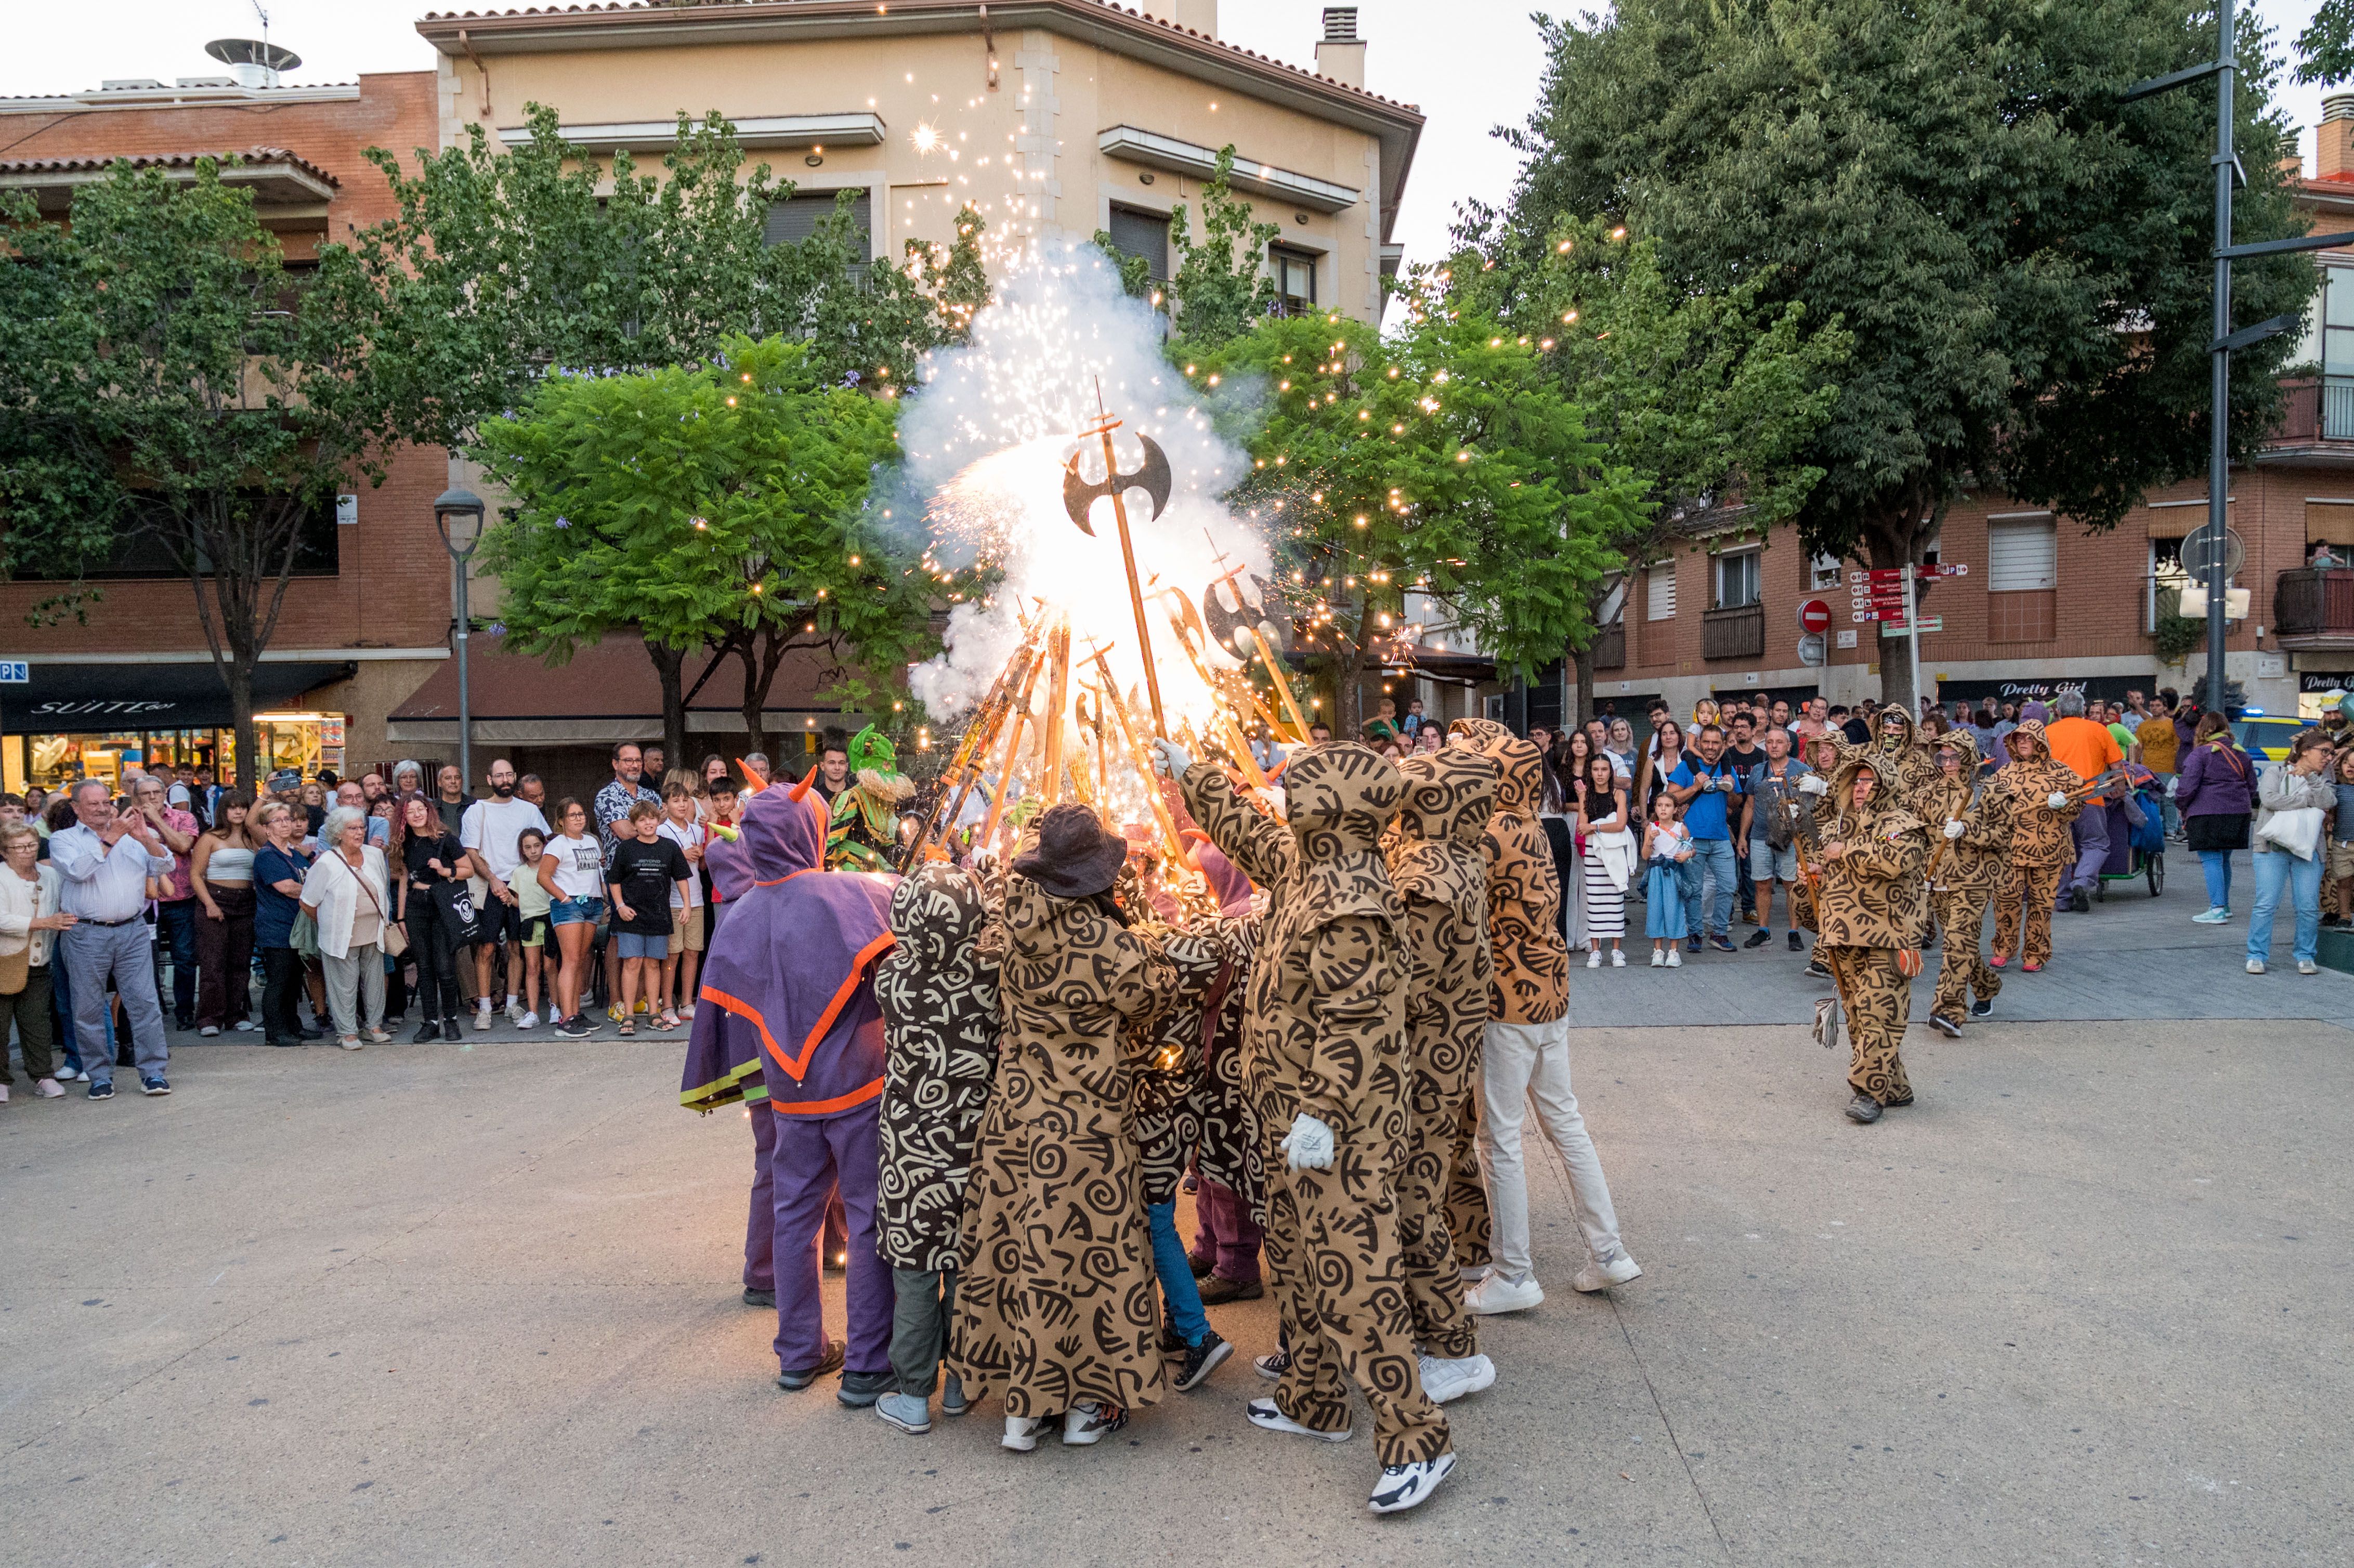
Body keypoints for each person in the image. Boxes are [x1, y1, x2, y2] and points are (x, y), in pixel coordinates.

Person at [1162, 737, 1457, 1514]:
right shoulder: (1310, 864)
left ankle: (1418, 1439)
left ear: (1332, 810)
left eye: (1300, 790)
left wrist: (1322, 1116)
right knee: (1295, 1261)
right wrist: (1195, 776)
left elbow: (1356, 1024)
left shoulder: (1353, 901)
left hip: (1340, 1132)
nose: (1285, 799)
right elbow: (1250, 833)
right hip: (1290, 1120)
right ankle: (1314, 1398)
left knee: (1357, 1276)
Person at [951, 803, 1175, 1452]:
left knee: (1025, 1250)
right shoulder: (1109, 946)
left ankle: (1022, 1411)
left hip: (1018, 1117)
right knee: (1088, 1256)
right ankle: (1084, 1405)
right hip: (1089, 1124)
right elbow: (1155, 992)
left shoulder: (1010, 924)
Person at [687, 764, 897, 1410]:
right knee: (866, 1220)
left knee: (794, 1217)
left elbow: (723, 1010)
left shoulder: (742, 917)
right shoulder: (855, 892)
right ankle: (866, 1364)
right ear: (811, 828)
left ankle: (799, 1353)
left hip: (788, 1095)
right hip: (858, 1087)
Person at [1449, 718, 1643, 1318]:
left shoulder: (1485, 834)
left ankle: (1512, 1272)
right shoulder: (1533, 824)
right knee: (1566, 1125)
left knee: (1499, 1137)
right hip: (1550, 994)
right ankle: (1608, 1252)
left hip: (1505, 1002)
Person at [1384, 747, 1500, 1407]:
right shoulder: (1454, 855)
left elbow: (1404, 983)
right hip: (1438, 1061)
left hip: (1424, 1069)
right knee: (1416, 1198)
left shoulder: (1430, 877)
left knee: (1412, 1204)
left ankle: (1451, 1349)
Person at [870, 864, 1003, 1436]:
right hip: (971, 1142)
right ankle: (959, 1386)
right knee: (966, 1266)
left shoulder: (890, 977)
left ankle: (912, 1395)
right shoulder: (988, 976)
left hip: (909, 1146)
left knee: (917, 1272)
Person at [1812, 752, 1931, 1123]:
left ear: (1886, 784)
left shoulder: (1903, 823)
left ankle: (1868, 1092)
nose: (1861, 788)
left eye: (1868, 781)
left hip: (1889, 936)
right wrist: (1815, 874)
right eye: (1857, 781)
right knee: (1860, 1017)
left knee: (1880, 1014)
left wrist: (1843, 852)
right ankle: (1894, 1087)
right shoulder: (1837, 825)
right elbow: (1829, 869)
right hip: (1842, 935)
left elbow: (1893, 860)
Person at [49, 778, 177, 1099]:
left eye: (106, 802)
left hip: (133, 929)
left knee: (145, 1003)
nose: (102, 809)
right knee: (88, 1008)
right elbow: (78, 872)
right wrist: (111, 838)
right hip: (85, 932)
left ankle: (153, 1073)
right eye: (93, 804)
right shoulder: (63, 840)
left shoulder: (133, 835)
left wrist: (145, 838)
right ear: (76, 808)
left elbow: (166, 864)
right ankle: (99, 1076)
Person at [1918, 732, 2013, 1036]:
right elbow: (1916, 836)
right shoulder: (1927, 793)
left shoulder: (1989, 791)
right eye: (1942, 757)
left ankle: (1948, 1011)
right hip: (1937, 880)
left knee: (1957, 944)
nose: (1948, 764)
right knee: (1963, 948)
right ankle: (1987, 986)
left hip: (1975, 880)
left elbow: (2004, 835)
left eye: (1955, 757)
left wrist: (1967, 830)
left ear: (1969, 757)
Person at [461, 759, 550, 1030]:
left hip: (524, 887)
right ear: (489, 780)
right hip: (490, 886)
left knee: (516, 947)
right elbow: (471, 851)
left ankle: (512, 1003)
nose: (505, 779)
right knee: (486, 948)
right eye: (499, 776)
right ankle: (485, 1008)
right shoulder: (477, 811)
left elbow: (546, 842)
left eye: (509, 774)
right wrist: (494, 880)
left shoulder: (529, 810)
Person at [1989, 721, 2084, 971]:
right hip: (2010, 850)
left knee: (2041, 904)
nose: (2023, 743)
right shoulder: (2004, 773)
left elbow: (2078, 805)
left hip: (2049, 851)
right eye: (2019, 739)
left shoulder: (2060, 771)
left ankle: (2035, 953)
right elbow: (1989, 809)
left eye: (2029, 739)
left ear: (2040, 742)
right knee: (2006, 900)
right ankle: (2003, 947)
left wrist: (2064, 804)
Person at [299, 807, 393, 1050]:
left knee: (374, 981)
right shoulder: (327, 863)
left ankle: (374, 1026)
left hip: (373, 931)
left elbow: (382, 890)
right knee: (344, 985)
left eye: (361, 827)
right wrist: (331, 923)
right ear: (338, 833)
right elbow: (308, 903)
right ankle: (347, 1032)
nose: (360, 832)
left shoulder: (373, 855)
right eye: (353, 828)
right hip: (340, 936)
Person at [2245, 730, 2336, 976]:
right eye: (2324, 751)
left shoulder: (2324, 779)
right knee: (2266, 904)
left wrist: (2312, 780)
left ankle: (2306, 956)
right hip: (2272, 848)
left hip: (2308, 850)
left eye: (2332, 753)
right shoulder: (2276, 772)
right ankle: (2256, 955)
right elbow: (2270, 800)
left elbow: (2328, 802)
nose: (2329, 757)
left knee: (2307, 907)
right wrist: (2307, 802)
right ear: (2305, 750)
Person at [393, 793, 477, 1044]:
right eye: (411, 811)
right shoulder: (404, 843)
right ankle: (430, 1022)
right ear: (404, 817)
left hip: (441, 905)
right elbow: (403, 881)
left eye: (421, 809)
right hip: (416, 907)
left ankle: (450, 1020)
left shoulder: (446, 839)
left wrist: (445, 870)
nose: (417, 814)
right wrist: (401, 918)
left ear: (430, 811)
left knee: (444, 966)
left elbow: (468, 870)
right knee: (424, 968)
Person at [605, 800, 691, 1037]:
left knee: (654, 964)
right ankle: (629, 1015)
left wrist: (686, 905)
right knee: (632, 963)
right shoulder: (626, 849)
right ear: (634, 824)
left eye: (652, 818)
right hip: (631, 915)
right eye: (642, 820)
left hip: (659, 914)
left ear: (658, 820)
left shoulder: (670, 847)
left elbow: (682, 878)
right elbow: (614, 881)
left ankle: (654, 1013)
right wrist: (620, 906)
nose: (648, 823)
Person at [0, 821, 72, 1102]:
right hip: (5, 961)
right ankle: (1, 1080)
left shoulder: (51, 875)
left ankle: (43, 1076)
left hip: (39, 962)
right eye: (18, 848)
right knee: (1, 1025)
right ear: (5, 852)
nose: (27, 853)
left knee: (37, 1024)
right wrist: (44, 922)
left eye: (31, 846)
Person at [128, 772, 201, 1031]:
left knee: (184, 958)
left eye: (156, 793)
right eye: (145, 794)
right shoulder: (127, 822)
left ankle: (184, 1011)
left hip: (180, 898)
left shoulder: (184, 818)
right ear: (136, 797)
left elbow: (183, 846)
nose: (151, 798)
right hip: (143, 902)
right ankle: (153, 1011)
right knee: (144, 961)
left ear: (165, 794)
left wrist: (157, 819)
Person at [2041, 691, 2124, 914]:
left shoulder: (2047, 733)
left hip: (2056, 800)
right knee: (2096, 843)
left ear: (2057, 710)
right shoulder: (2098, 730)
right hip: (2090, 796)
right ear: (2084, 709)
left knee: (2060, 848)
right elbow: (2117, 768)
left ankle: (2062, 898)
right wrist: (2120, 791)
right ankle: (2083, 881)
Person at [594, 743, 660, 1020]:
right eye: (627, 761)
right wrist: (653, 824)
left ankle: (639, 999)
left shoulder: (649, 794)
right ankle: (617, 1001)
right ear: (615, 764)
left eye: (637, 761)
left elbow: (660, 829)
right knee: (619, 938)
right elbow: (624, 832)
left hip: (655, 874)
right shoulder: (607, 796)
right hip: (623, 877)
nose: (633, 765)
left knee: (647, 935)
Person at [2175, 712, 2255, 924]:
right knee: (2225, 859)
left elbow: (2187, 787)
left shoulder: (2201, 754)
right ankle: (2225, 905)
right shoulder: (2241, 753)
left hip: (2208, 812)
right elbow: (2253, 787)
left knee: (2211, 858)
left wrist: (2181, 806)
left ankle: (2217, 909)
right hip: (2238, 812)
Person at [538, 798, 608, 1038]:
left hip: (592, 902)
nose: (579, 818)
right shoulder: (557, 845)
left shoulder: (591, 841)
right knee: (569, 961)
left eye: (581, 814)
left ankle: (576, 1014)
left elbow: (597, 876)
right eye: (572, 815)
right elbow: (544, 877)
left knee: (580, 960)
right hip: (570, 905)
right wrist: (565, 899)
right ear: (561, 821)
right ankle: (565, 1019)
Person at [191, 792, 259, 1035]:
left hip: (246, 902)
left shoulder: (252, 838)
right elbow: (196, 875)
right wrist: (209, 904)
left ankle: (235, 1015)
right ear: (223, 812)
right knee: (213, 963)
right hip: (216, 898)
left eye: (242, 807)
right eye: (232, 808)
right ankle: (209, 1018)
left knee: (241, 963)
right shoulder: (210, 838)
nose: (238, 812)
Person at [1741, 725, 1813, 951]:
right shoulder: (1758, 771)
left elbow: (1813, 805)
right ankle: (1763, 931)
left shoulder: (1802, 770)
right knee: (1762, 884)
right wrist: (1743, 836)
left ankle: (1794, 932)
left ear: (1789, 746)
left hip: (1792, 838)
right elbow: (1750, 805)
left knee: (1792, 885)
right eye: (1770, 742)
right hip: (1761, 836)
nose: (1773, 746)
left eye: (1779, 742)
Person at [253, 801, 318, 1049]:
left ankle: (293, 1025)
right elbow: (287, 888)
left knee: (293, 981)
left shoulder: (296, 854)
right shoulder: (268, 856)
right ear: (266, 829)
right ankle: (275, 1031)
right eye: (278, 820)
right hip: (277, 928)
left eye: (287, 819)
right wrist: (315, 891)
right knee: (279, 981)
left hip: (296, 926)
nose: (285, 823)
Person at [1682, 724, 1745, 953]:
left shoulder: (1726, 768)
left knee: (1728, 886)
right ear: (1699, 743)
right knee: (1694, 890)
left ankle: (1719, 933)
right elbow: (1671, 797)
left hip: (1720, 837)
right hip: (1693, 837)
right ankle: (1696, 934)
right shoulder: (1687, 766)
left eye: (1715, 743)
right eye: (1706, 742)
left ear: (1722, 744)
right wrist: (1696, 786)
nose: (1710, 747)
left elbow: (1737, 803)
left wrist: (1728, 788)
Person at [656, 780, 708, 1026]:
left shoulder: (697, 830)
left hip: (696, 898)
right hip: (673, 901)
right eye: (676, 800)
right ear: (665, 805)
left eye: (685, 800)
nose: (682, 804)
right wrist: (681, 856)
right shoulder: (662, 831)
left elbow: (702, 867)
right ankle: (667, 1004)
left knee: (692, 952)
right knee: (672, 955)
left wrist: (702, 854)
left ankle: (687, 1003)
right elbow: (660, 867)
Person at [1575, 752, 1632, 966]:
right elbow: (1582, 828)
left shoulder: (1619, 794)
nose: (1600, 774)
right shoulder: (1586, 794)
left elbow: (1621, 824)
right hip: (1593, 851)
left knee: (1616, 897)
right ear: (1591, 772)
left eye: (1604, 770)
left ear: (1612, 772)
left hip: (1615, 849)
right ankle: (1596, 950)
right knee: (1595, 899)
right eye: (1596, 770)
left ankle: (1617, 950)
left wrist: (1595, 827)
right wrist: (1582, 800)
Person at [1642, 793, 1694, 966]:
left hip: (1673, 871)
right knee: (1655, 909)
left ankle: (1674, 952)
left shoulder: (1681, 828)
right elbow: (1645, 855)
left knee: (1674, 909)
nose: (1663, 809)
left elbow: (1692, 848)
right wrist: (1650, 840)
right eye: (1659, 805)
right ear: (1655, 808)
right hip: (1656, 870)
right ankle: (1658, 951)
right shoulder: (1651, 827)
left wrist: (1686, 854)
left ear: (1675, 809)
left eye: (1667, 806)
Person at [508, 828, 551, 1026]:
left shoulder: (552, 869)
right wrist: (508, 898)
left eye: (537, 845)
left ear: (544, 845)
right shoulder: (519, 873)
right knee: (532, 968)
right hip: (529, 923)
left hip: (551, 920)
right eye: (528, 847)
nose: (533, 851)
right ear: (522, 850)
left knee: (551, 967)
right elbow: (520, 902)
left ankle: (556, 1008)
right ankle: (533, 1012)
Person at [2138, 693, 2183, 839]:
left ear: (2164, 707)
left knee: (2168, 800)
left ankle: (2171, 830)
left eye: (2158, 705)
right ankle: (2157, 828)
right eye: (2152, 706)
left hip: (2167, 766)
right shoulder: (2143, 726)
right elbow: (2139, 746)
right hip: (2148, 767)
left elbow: (2178, 746)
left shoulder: (2172, 724)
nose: (2155, 708)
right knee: (2154, 800)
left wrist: (2177, 767)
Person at [809, 730, 853, 804]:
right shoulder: (815, 798)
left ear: (846, 766)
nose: (837, 768)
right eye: (832, 763)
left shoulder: (855, 797)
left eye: (841, 763)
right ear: (822, 766)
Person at [432, 764, 473, 837]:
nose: (453, 781)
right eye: (448, 778)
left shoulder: (474, 805)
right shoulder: (432, 808)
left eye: (457, 778)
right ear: (439, 782)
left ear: (462, 781)